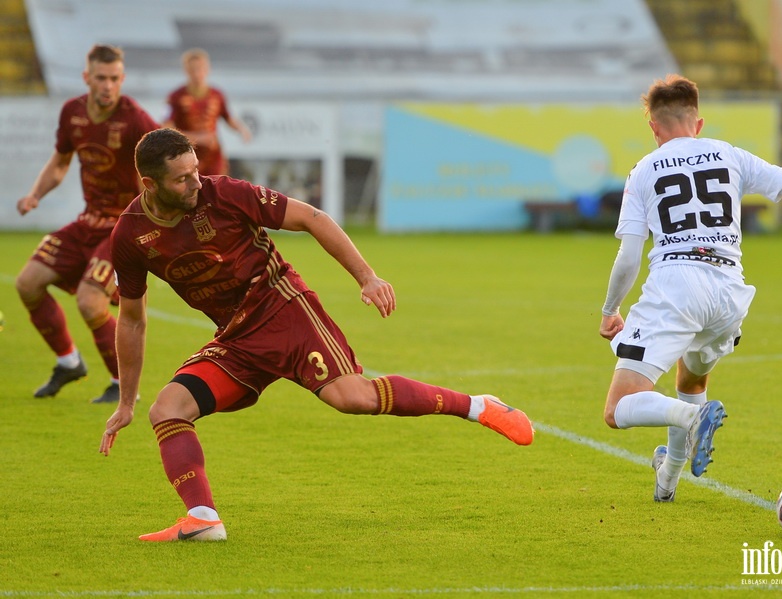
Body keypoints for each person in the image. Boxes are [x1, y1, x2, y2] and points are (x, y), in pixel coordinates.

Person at [98, 128, 534, 541]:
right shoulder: (131, 235)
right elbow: (132, 318)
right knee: (168, 409)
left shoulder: (224, 193)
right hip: (236, 339)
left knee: (354, 398)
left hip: (285, 311)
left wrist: (367, 277)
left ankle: (478, 405)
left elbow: (311, 216)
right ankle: (203, 519)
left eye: (196, 170)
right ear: (150, 184)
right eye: (183, 178)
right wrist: (125, 400)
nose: (196, 181)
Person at [598, 74, 782, 502]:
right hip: (728, 293)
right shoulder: (729, 154)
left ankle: (691, 416)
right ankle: (668, 479)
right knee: (692, 374)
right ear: (698, 123)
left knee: (617, 410)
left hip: (676, 284)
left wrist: (611, 309)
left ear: (653, 128)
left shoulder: (644, 169)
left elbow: (629, 255)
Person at [15, 44, 159, 404]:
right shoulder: (72, 112)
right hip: (87, 222)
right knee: (28, 284)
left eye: (114, 79)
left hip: (122, 228)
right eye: (101, 78)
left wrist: (155, 227)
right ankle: (68, 362)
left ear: (122, 79)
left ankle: (123, 386)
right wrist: (36, 195)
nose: (108, 86)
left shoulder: (136, 120)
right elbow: (61, 162)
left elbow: (160, 170)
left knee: (89, 302)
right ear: (87, 78)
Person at [162, 48, 251, 176]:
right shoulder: (175, 97)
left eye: (200, 68)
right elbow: (165, 126)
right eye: (193, 69)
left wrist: (242, 129)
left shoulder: (217, 95)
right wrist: (196, 138)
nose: (197, 73)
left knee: (216, 191)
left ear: (208, 69)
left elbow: (228, 118)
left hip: (213, 157)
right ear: (186, 71)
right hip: (186, 156)